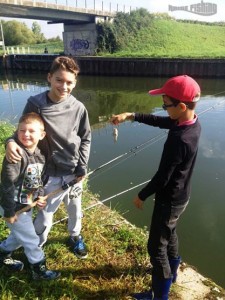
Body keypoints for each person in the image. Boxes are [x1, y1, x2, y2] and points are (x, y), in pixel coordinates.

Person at [110, 75, 201, 300]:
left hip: (168, 199)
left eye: (165, 104)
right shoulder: (190, 122)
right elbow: (161, 121)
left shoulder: (180, 139)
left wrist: (142, 195)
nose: (162, 107)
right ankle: (172, 275)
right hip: (182, 196)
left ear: (181, 106)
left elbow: (162, 177)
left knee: (156, 248)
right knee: (169, 233)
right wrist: (131, 116)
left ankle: (159, 295)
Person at [5, 56, 91, 259]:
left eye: (69, 82)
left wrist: (82, 166)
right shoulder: (36, 104)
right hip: (48, 173)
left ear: (75, 83)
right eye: (59, 80)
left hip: (73, 171)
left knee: (75, 207)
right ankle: (36, 247)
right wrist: (9, 141)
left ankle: (75, 235)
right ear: (49, 78)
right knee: (44, 215)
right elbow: (21, 130)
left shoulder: (79, 107)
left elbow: (86, 138)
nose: (64, 86)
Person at [0, 112, 60, 280]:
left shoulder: (39, 155)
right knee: (31, 240)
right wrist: (9, 211)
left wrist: (39, 196)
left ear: (42, 135)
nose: (26, 134)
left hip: (26, 205)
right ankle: (39, 271)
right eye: (22, 130)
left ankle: (2, 254)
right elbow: (7, 184)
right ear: (17, 132)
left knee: (19, 236)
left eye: (31, 131)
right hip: (12, 205)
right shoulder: (16, 156)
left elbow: (35, 180)